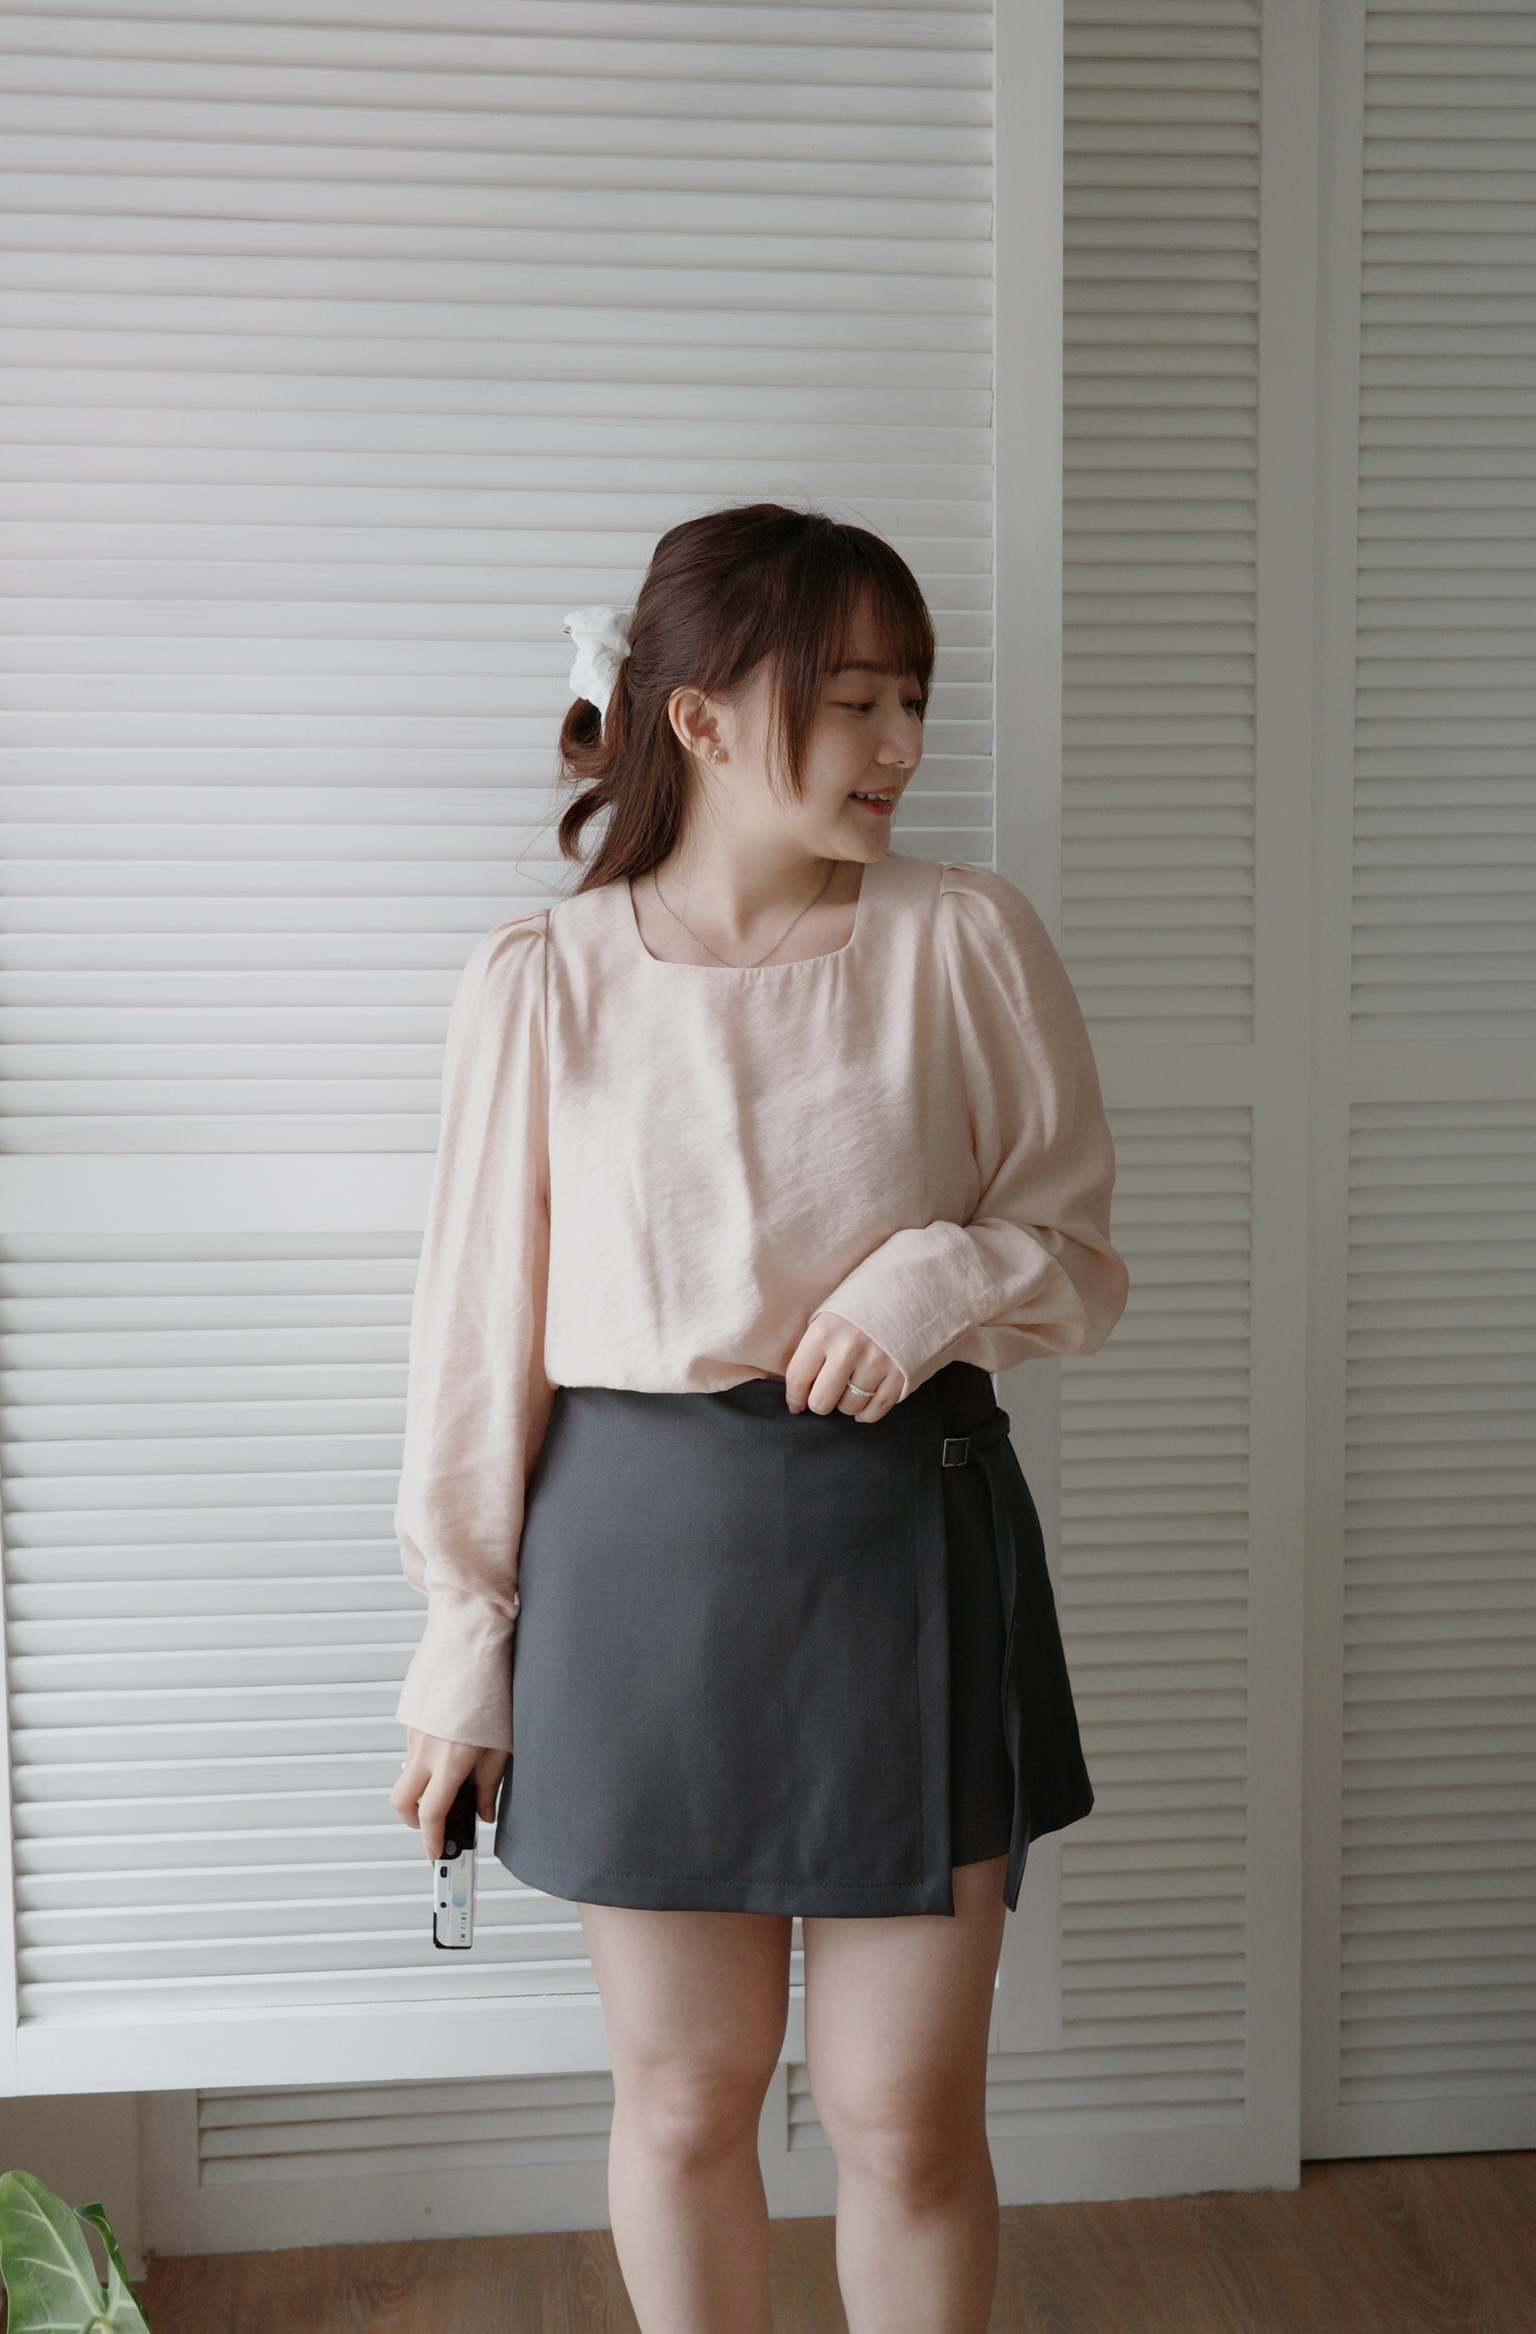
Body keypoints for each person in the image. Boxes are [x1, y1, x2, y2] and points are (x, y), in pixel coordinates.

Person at [390, 504, 1128, 2334]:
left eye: (912, 700)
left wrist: (930, 1280)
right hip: (635, 1578)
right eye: (856, 700)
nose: (902, 744)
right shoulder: (543, 978)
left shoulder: (963, 939)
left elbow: (1076, 1257)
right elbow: (477, 1333)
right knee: (685, 2099)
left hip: (906, 1552)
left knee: (906, 2120)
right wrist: (465, 1640)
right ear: (702, 719)